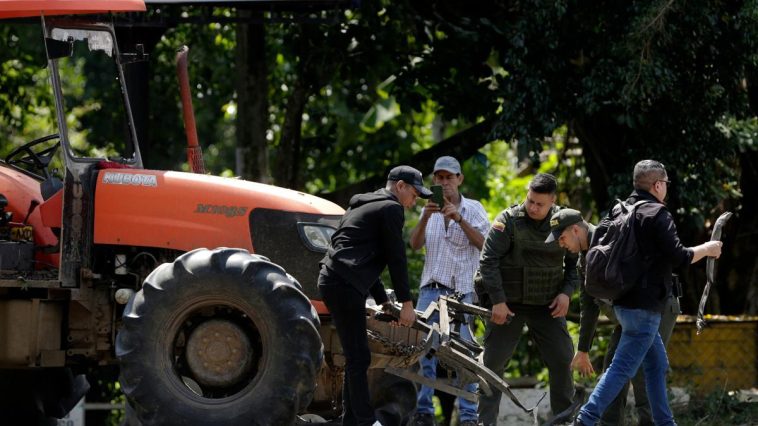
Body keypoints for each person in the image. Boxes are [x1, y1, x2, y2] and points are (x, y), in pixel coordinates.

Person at [574, 160, 723, 426]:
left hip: (621, 304)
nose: (666, 188)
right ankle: (584, 419)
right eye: (665, 183)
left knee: (656, 367)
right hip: (645, 309)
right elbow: (680, 257)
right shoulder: (657, 213)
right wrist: (709, 248)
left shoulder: (618, 210)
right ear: (657, 184)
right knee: (620, 369)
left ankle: (665, 423)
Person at [318, 165, 431, 426]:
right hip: (344, 284)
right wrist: (406, 304)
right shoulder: (391, 209)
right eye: (414, 195)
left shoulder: (363, 204)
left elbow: (365, 259)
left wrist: (383, 301)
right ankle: (368, 422)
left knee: (355, 356)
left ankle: (350, 421)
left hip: (335, 279)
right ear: (400, 186)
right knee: (359, 357)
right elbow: (396, 258)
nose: (414, 202)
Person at [546, 208, 681, 426]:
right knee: (613, 368)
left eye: (561, 238)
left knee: (642, 371)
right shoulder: (585, 258)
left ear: (575, 230)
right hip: (629, 315)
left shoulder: (612, 241)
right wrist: (583, 350)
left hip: (655, 308)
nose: (561, 244)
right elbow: (589, 305)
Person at [477, 173, 579, 425]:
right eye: (530, 201)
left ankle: (564, 421)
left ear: (553, 201)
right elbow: (487, 261)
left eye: (540, 204)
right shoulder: (508, 221)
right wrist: (497, 301)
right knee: (491, 366)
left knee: (564, 360)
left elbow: (576, 264)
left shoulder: (564, 221)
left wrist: (567, 293)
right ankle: (485, 423)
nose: (533, 207)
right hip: (508, 305)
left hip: (547, 306)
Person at [408, 156, 490, 426]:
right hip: (430, 290)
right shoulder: (427, 209)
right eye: (439, 178)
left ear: (460, 179)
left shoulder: (474, 209)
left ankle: (468, 417)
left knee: (464, 356)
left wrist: (459, 219)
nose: (444, 183)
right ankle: (424, 412)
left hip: (462, 293)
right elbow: (415, 244)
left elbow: (486, 247)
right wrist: (425, 216)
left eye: (449, 177)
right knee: (424, 352)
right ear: (434, 180)